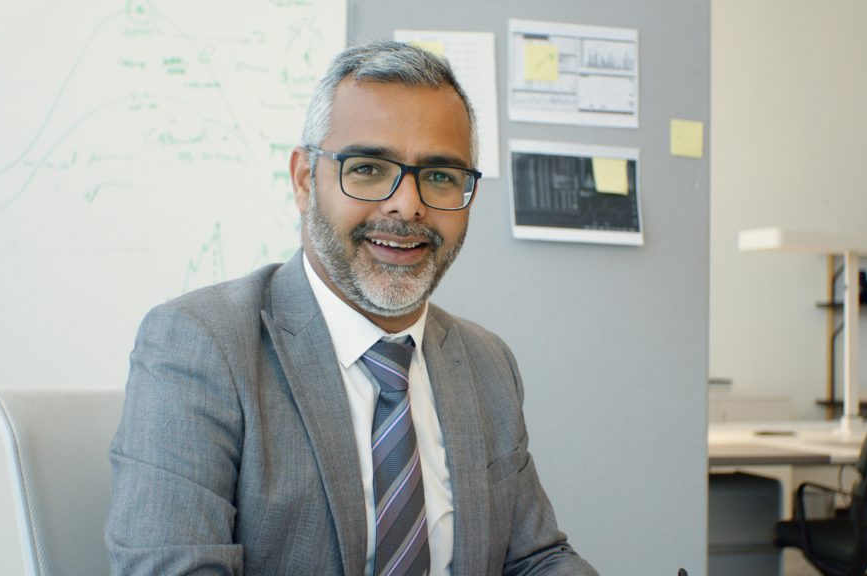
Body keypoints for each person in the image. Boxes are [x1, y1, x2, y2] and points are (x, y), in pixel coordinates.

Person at [105, 40, 597, 576]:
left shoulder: (487, 363)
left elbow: (535, 558)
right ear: (303, 180)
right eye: (367, 168)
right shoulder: (200, 345)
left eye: (439, 176)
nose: (407, 205)